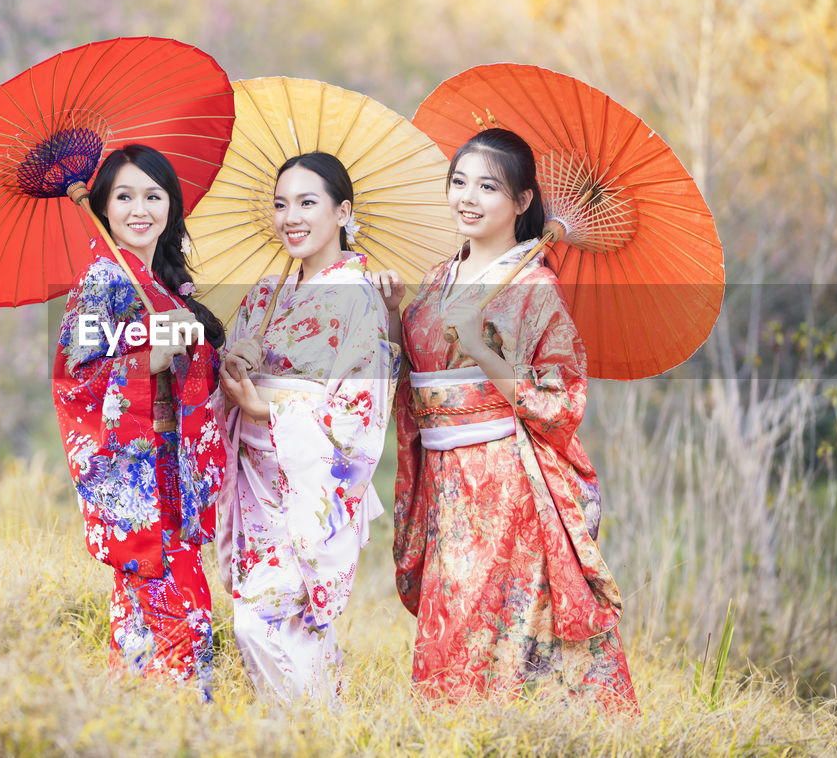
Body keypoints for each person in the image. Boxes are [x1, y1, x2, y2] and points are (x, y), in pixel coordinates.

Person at [376, 128, 638, 710]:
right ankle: (444, 735)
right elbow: (420, 371)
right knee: (452, 606)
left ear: (522, 202)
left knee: (495, 614)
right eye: (459, 182)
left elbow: (562, 399)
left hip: (504, 477)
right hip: (445, 475)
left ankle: (503, 732)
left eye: (487, 187)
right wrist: (395, 315)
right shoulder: (440, 276)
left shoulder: (536, 286)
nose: (466, 197)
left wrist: (486, 351)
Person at [218, 151, 398, 702]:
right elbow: (231, 372)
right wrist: (237, 364)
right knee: (292, 633)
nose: (289, 217)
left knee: (261, 623)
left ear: (342, 212)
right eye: (280, 204)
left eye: (306, 203)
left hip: (313, 484)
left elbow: (360, 412)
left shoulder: (360, 299)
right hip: (256, 484)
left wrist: (266, 410)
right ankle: (318, 733)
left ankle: (310, 730)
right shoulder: (267, 293)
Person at [52, 143, 227, 700]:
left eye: (153, 195)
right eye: (124, 196)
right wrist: (147, 360)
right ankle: (162, 728)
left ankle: (142, 729)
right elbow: (76, 378)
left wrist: (212, 357)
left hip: (173, 475)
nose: (139, 209)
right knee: (166, 619)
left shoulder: (160, 288)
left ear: (172, 206)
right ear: (103, 206)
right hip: (140, 483)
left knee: (174, 619)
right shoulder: (98, 287)